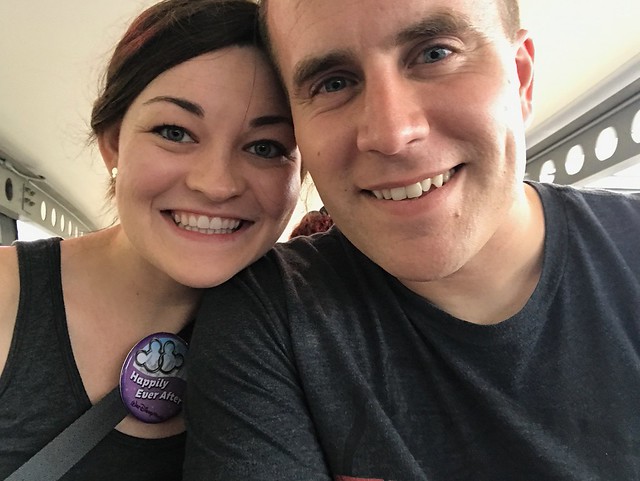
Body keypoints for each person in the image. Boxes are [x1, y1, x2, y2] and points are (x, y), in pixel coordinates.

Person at [184, 0, 640, 479]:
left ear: (521, 78)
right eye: (334, 83)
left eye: (435, 53)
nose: (391, 134)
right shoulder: (268, 314)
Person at [0, 0, 301, 479]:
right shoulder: (5, 294)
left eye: (265, 147)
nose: (217, 184)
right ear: (113, 142)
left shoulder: (312, 329)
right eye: (175, 132)